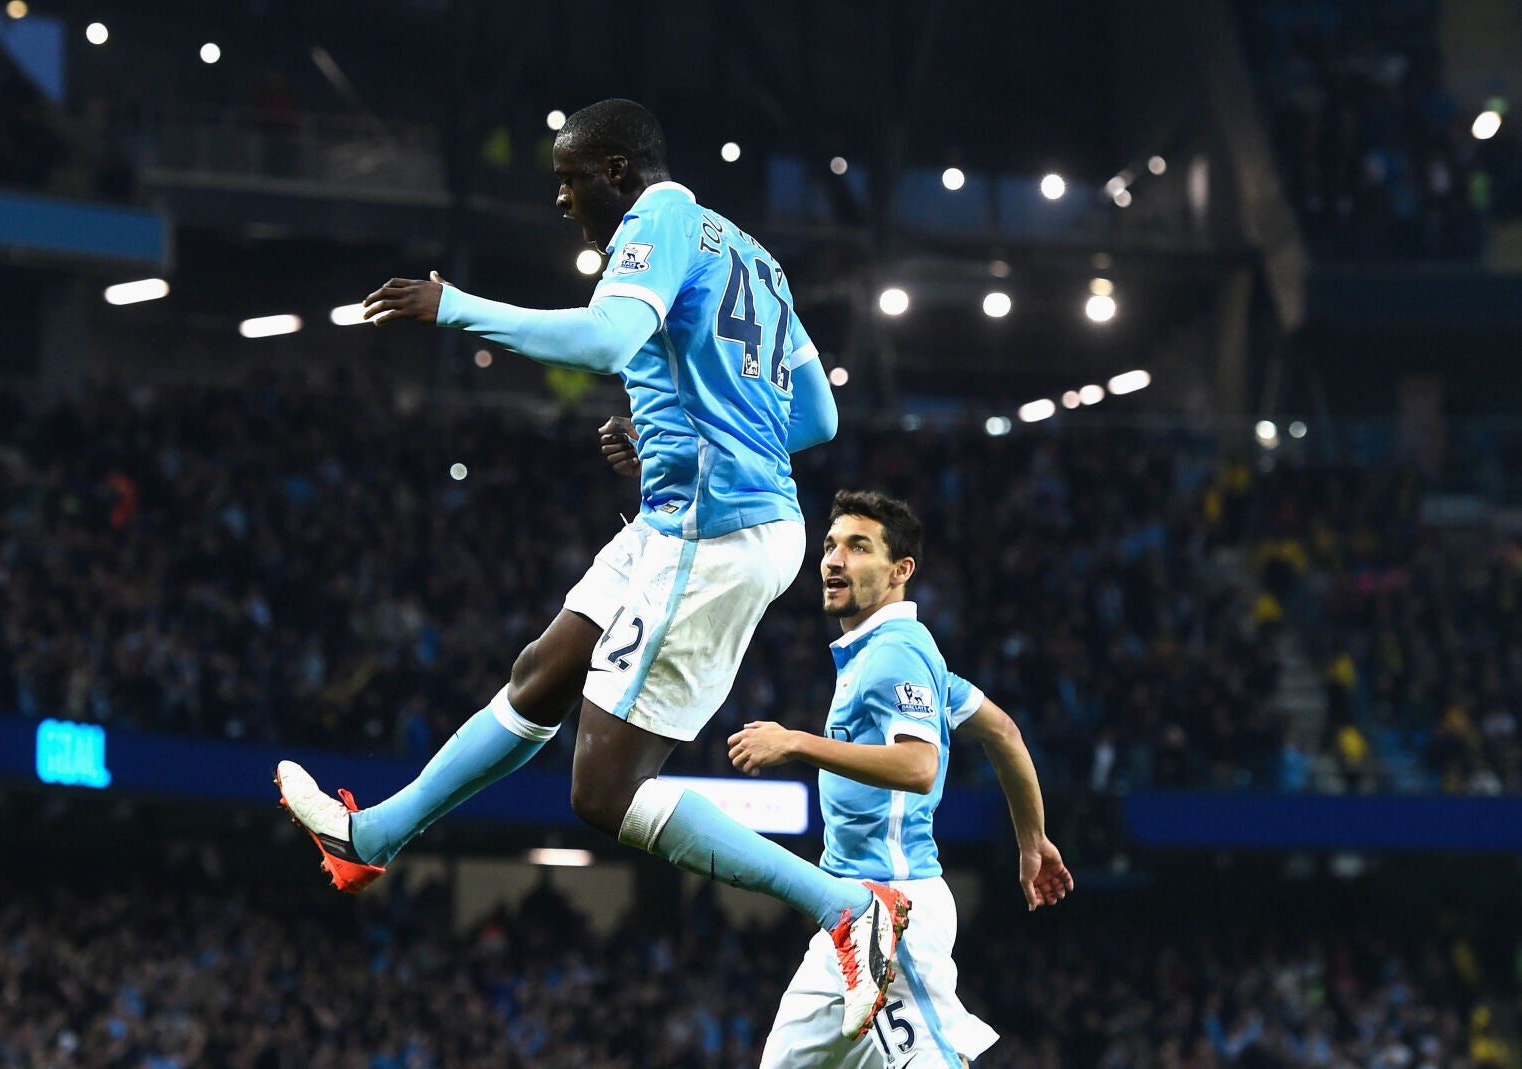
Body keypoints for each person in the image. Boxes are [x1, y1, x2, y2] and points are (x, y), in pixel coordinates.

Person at [275, 98, 912, 1040]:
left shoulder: (655, 217)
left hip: (712, 531)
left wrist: (452, 306)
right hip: (684, 512)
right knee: (541, 672)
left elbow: (606, 339)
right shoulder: (751, 252)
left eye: (572, 178)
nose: (563, 198)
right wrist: (681, 431)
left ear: (618, 170)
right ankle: (369, 837)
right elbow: (815, 418)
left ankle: (845, 908)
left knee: (602, 790)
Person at [726, 490, 1074, 1067]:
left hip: (893, 911)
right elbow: (1004, 732)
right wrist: (1032, 840)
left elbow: (919, 766)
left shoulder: (898, 650)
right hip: (848, 915)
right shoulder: (885, 653)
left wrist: (795, 742)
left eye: (859, 548)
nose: (834, 560)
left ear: (900, 571)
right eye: (832, 545)